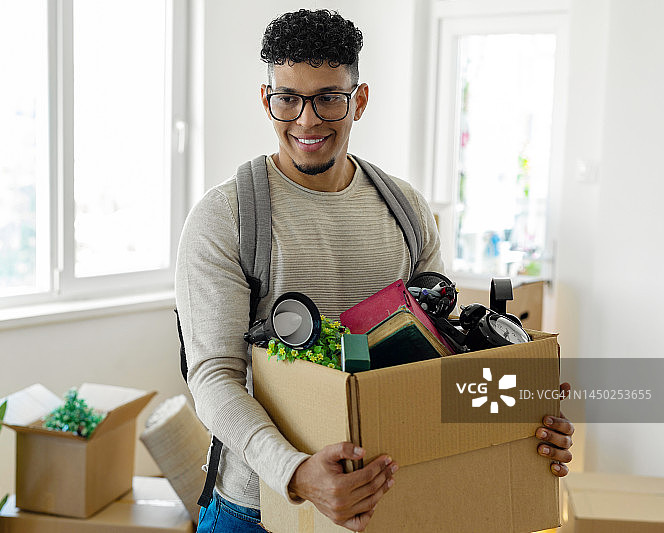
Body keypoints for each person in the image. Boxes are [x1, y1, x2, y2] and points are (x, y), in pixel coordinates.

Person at [175, 9, 574, 532]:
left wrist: (519, 418)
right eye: (288, 98)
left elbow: (441, 362)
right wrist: (296, 473)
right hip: (260, 509)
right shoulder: (227, 217)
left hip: (395, 496)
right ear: (266, 99)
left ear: (358, 100)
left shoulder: (405, 210)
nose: (307, 120)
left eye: (328, 98)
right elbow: (213, 376)